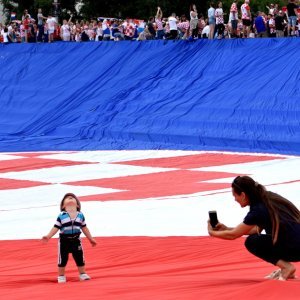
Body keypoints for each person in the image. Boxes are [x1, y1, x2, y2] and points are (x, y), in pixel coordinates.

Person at [208, 175, 300, 281]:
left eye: (235, 196)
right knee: (259, 237)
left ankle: (286, 267)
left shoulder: (258, 210)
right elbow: (255, 230)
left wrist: (212, 232)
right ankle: (287, 269)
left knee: (252, 242)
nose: (235, 199)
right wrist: (227, 228)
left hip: (294, 249)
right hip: (296, 245)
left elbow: (233, 235)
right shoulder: (269, 197)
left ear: (243, 195)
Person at [42, 193, 97, 283]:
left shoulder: (80, 215)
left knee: (79, 257)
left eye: (72, 198)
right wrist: (48, 236)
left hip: (76, 240)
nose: (69, 198)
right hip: (64, 241)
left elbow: (84, 228)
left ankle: (82, 274)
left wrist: (91, 239)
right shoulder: (61, 216)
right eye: (67, 198)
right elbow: (56, 227)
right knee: (63, 259)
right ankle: (61, 276)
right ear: (63, 206)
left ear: (77, 205)